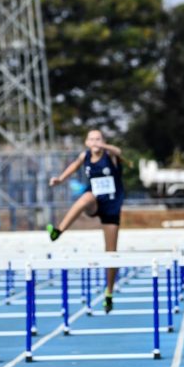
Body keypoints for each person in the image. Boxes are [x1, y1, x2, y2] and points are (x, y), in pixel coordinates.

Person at [47, 129, 124, 313]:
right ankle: (59, 230)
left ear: (103, 141)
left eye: (98, 138)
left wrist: (103, 146)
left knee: (111, 253)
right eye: (91, 139)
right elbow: (74, 166)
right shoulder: (85, 155)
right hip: (95, 202)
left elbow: (118, 152)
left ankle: (109, 293)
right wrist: (60, 179)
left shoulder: (110, 156)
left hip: (111, 206)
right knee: (86, 196)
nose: (95, 142)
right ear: (86, 142)